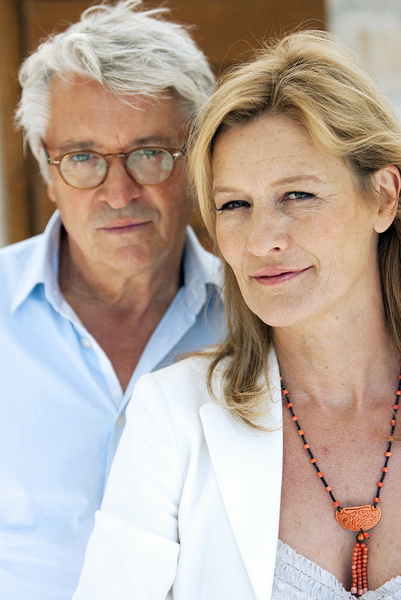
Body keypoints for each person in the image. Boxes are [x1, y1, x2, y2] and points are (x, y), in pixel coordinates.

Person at [72, 29, 401, 600]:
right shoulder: (172, 416)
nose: (262, 240)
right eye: (235, 205)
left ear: (384, 198)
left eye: (298, 196)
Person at [1, 1, 224, 599]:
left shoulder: (261, 317)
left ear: (198, 159)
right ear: (48, 173)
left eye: (150, 153)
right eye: (82, 158)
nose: (118, 192)